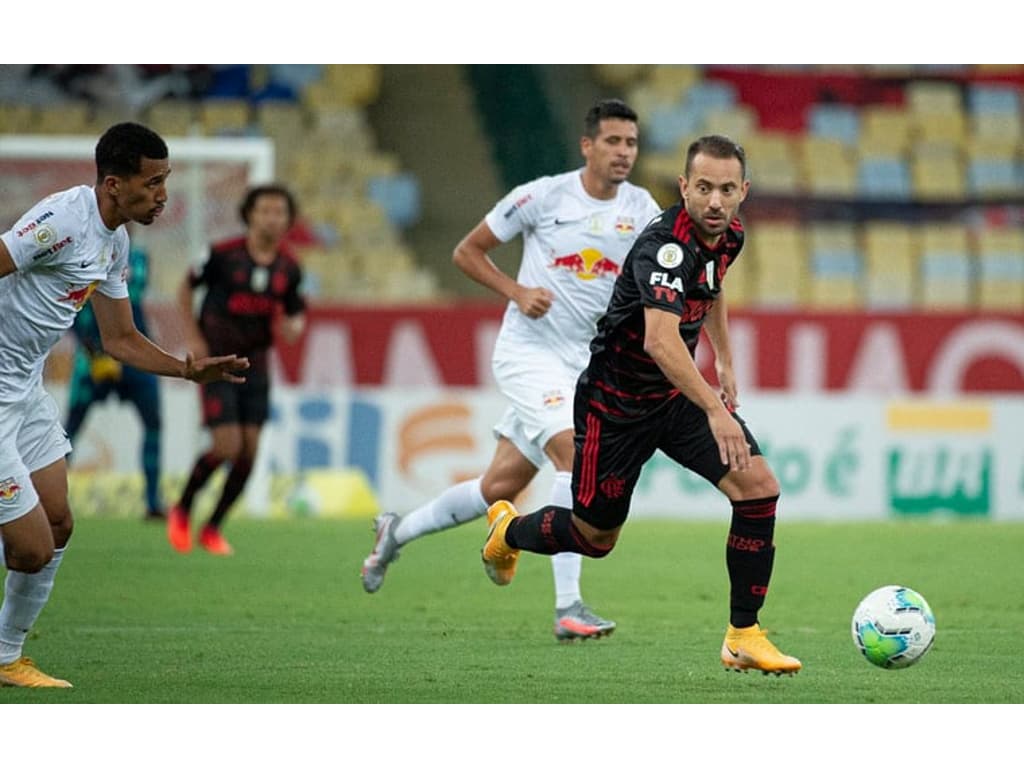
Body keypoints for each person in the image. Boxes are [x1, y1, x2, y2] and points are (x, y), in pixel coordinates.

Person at [481, 135, 802, 675]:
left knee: (758, 488)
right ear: (683, 187)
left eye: (727, 189)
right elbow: (659, 340)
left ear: (743, 191)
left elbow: (713, 285)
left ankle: (742, 634)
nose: (716, 201)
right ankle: (506, 532)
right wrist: (716, 409)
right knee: (593, 537)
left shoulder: (729, 235)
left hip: (674, 397)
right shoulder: (664, 247)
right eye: (703, 188)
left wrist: (723, 355)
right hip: (616, 405)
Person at [360, 99, 661, 642]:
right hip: (530, 353)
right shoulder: (543, 195)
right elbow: (467, 251)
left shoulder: (642, 209)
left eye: (631, 144)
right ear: (587, 145)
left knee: (498, 485)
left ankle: (395, 533)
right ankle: (569, 606)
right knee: (573, 450)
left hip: (585, 363)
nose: (623, 153)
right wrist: (516, 291)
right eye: (613, 142)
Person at [0, 122, 250, 688]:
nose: (163, 195)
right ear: (114, 184)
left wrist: (188, 369)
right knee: (31, 547)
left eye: (166, 181)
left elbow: (120, 339)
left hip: (25, 391)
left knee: (59, 522)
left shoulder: (114, 242)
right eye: (154, 182)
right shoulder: (63, 220)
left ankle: (7, 657)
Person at [167, 184, 306, 557]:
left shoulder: (289, 267)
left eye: (280, 212)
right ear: (250, 214)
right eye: (265, 210)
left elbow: (295, 313)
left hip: (256, 365)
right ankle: (182, 509)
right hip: (216, 361)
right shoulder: (221, 254)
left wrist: (294, 326)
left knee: (249, 453)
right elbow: (184, 289)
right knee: (226, 446)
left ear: (288, 220)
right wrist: (193, 338)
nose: (272, 218)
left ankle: (213, 528)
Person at [65, 240, 166, 522]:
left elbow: (133, 303)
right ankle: (50, 499)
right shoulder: (81, 251)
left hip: (134, 356)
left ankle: (152, 501)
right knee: (69, 429)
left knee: (153, 423)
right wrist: (92, 350)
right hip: (93, 355)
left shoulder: (140, 256)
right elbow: (72, 304)